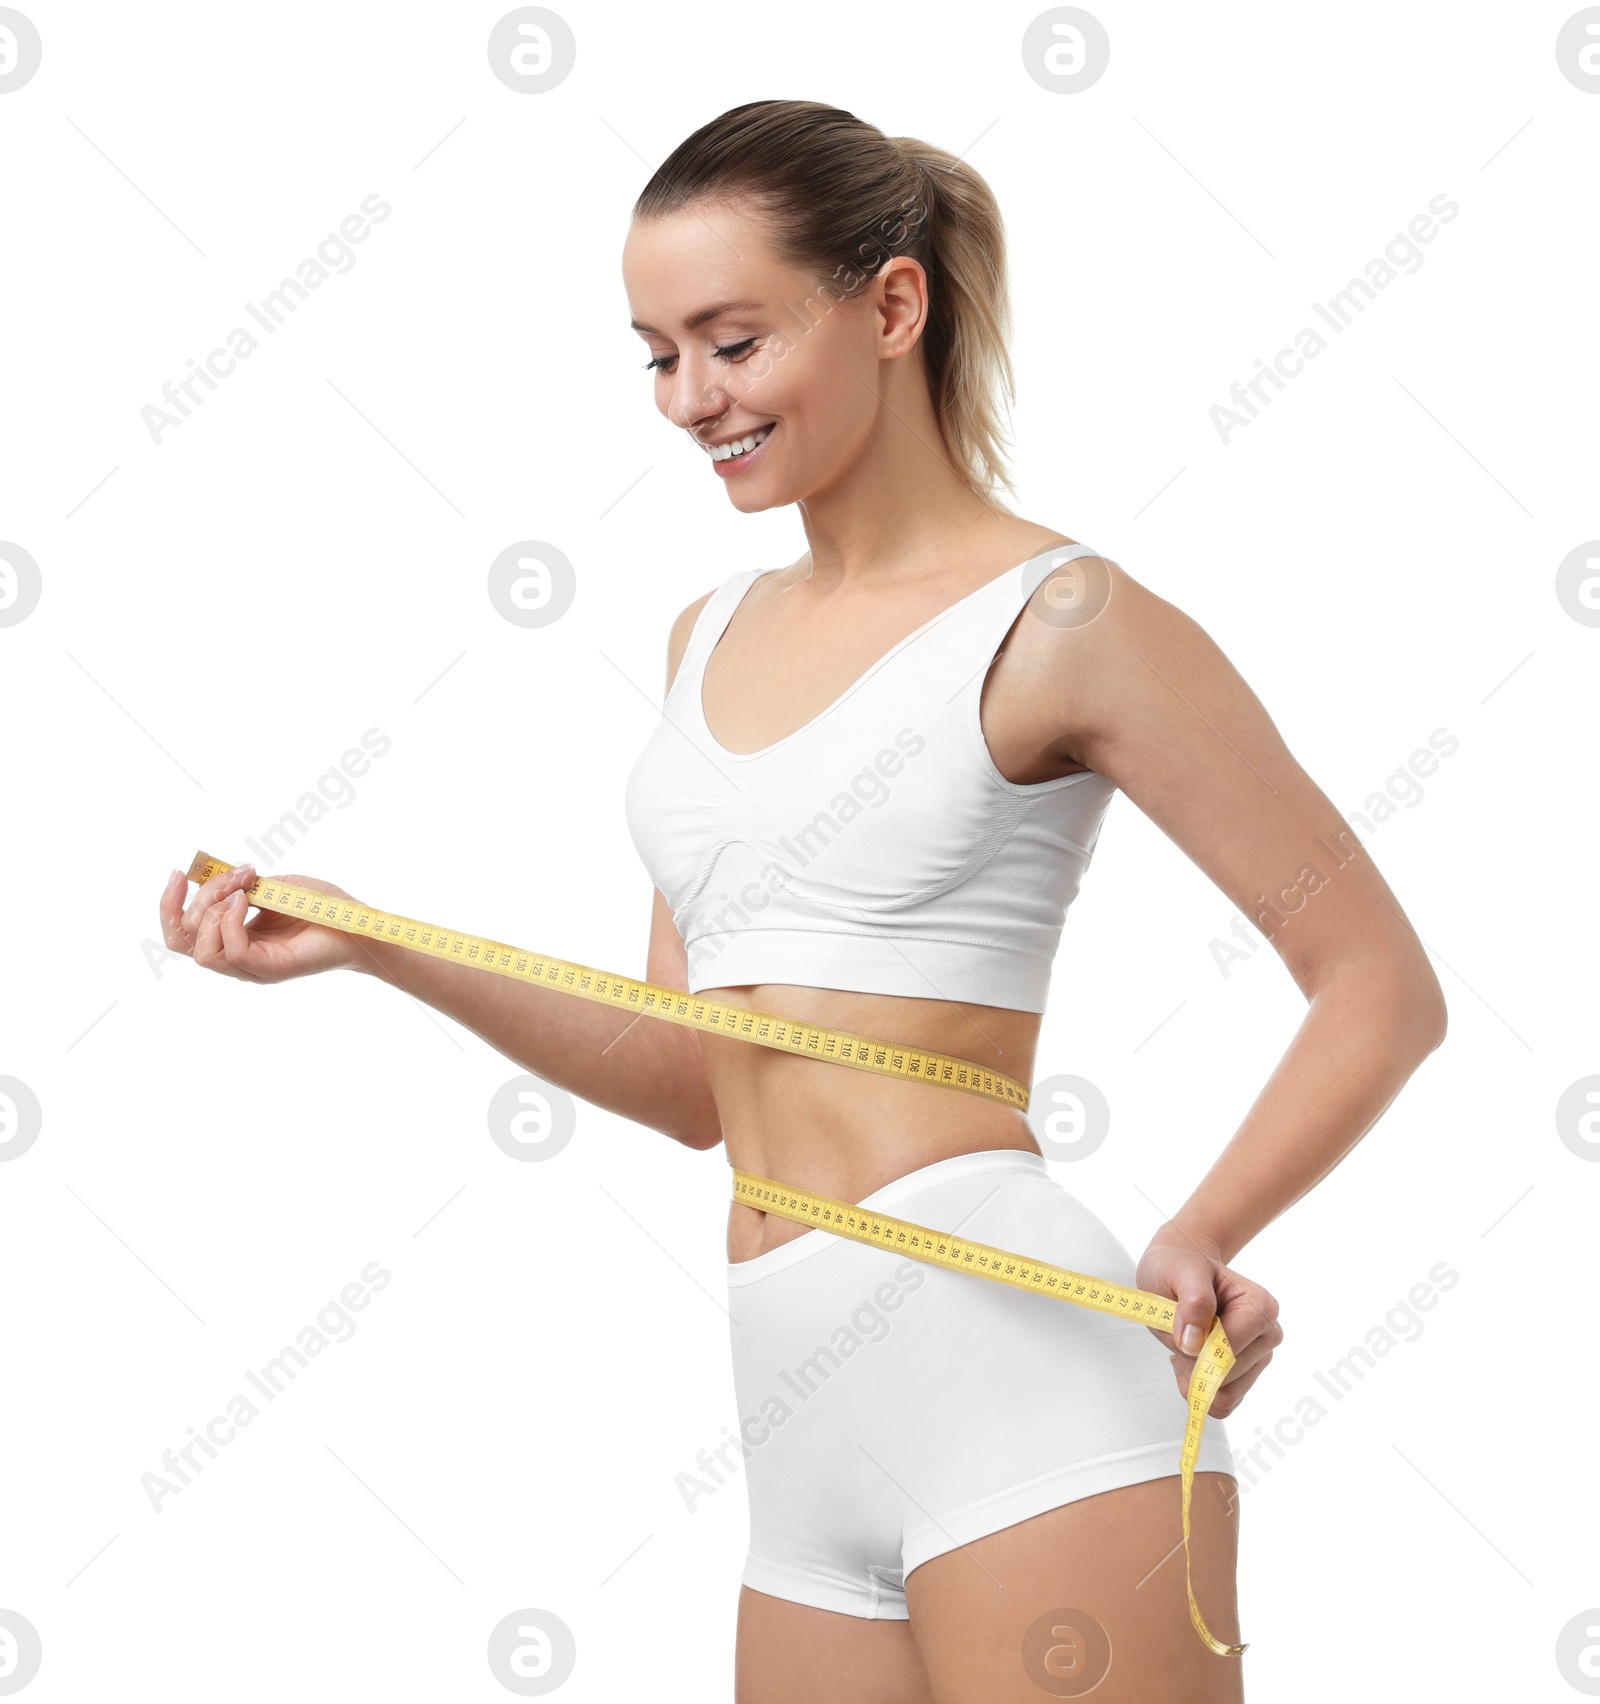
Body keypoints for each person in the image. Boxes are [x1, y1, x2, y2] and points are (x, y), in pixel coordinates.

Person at [159, 99, 1447, 1704]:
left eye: (734, 340)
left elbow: (1380, 982)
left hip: (1023, 1388)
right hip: (793, 1419)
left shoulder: (1067, 620)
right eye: (656, 354)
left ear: (892, 307)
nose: (692, 399)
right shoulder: (706, 634)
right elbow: (693, 1077)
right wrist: (373, 944)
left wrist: (1199, 1233)